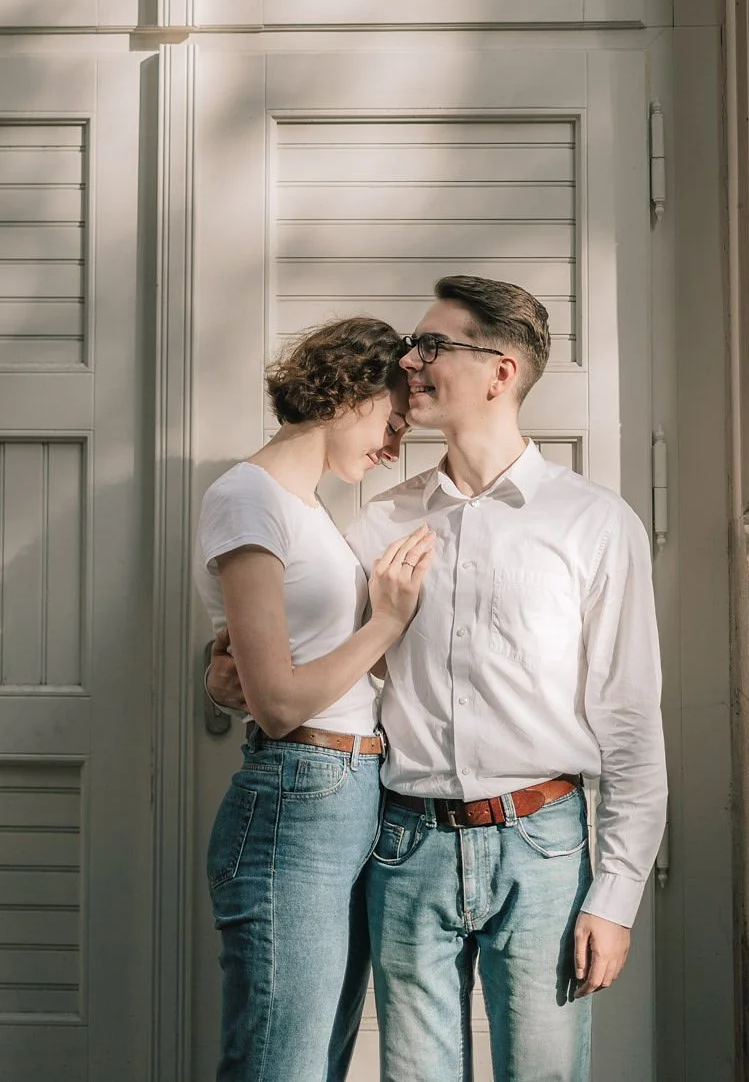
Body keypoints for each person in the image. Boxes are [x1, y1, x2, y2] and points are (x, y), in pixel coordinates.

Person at [209, 276, 667, 1082]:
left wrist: (617, 895)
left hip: (544, 845)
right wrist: (221, 673)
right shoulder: (380, 521)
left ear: (501, 371)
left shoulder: (594, 524)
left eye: (433, 346)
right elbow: (296, 649)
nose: (409, 363)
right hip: (404, 845)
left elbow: (630, 720)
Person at [195, 315, 434, 1082]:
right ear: (353, 392)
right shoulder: (248, 497)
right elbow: (279, 703)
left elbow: (271, 653)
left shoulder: (306, 511)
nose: (394, 447)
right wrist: (388, 623)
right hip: (295, 802)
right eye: (394, 421)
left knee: (316, 1062)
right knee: (282, 1065)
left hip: (347, 795)